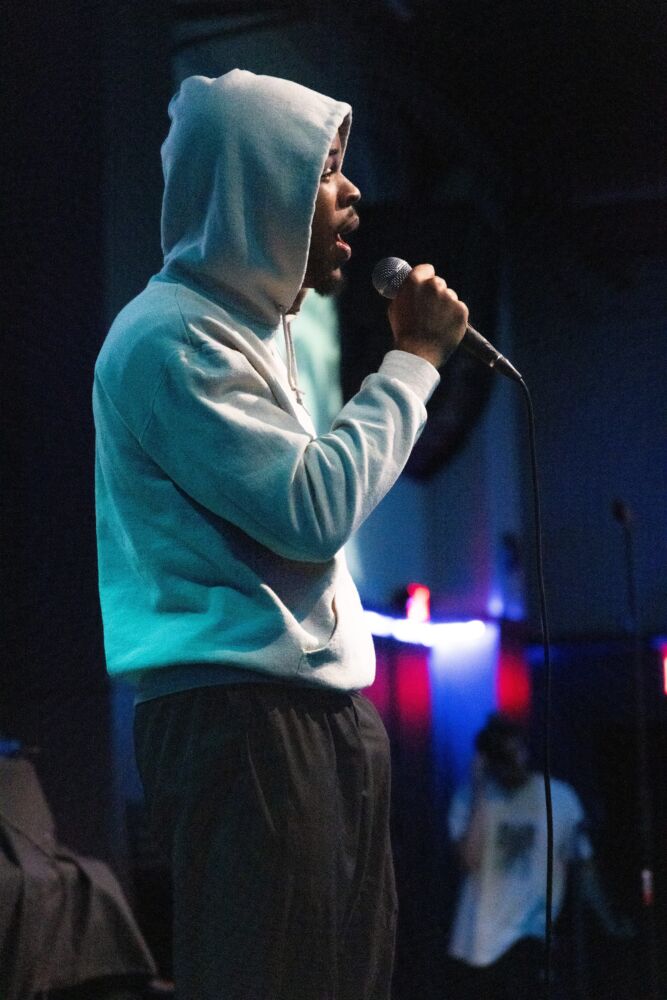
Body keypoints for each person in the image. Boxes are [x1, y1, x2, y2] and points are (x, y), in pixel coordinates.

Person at [93, 69, 467, 1000]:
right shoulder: (170, 337)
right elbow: (310, 509)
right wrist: (413, 362)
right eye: (325, 170)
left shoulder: (250, 332)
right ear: (256, 187)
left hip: (312, 712)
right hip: (243, 718)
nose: (353, 194)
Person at [446, 712, 630, 1000]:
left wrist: (609, 921)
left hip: (531, 933)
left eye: (516, 750)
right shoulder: (470, 798)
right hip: (479, 941)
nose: (513, 761)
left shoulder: (559, 798)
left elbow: (584, 866)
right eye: (503, 754)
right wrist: (480, 788)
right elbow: (469, 861)